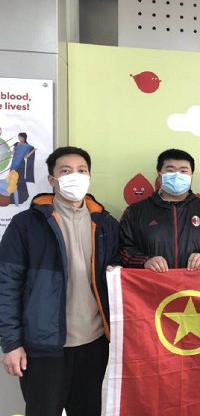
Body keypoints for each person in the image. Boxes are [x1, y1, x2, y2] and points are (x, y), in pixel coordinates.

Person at [0, 146, 120, 416]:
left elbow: (118, 273)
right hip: (43, 346)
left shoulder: (106, 224)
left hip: (94, 344)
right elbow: (7, 286)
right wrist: (11, 343)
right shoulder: (26, 224)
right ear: (52, 180)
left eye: (81, 170)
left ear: (89, 177)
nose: (75, 176)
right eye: (65, 171)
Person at [119, 148, 200, 271]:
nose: (177, 175)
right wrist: (145, 260)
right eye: (170, 170)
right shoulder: (135, 212)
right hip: (153, 282)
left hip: (198, 282)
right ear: (159, 175)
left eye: (183, 171)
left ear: (191, 176)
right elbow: (123, 249)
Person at [10, 132, 37, 205]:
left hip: (21, 164)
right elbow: (13, 153)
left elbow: (25, 157)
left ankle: (21, 197)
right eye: (18, 137)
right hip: (14, 163)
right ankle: (12, 198)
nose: (19, 138)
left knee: (20, 179)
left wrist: (32, 152)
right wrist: (7, 151)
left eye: (20, 137)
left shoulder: (27, 146)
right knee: (12, 179)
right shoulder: (16, 144)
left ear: (24, 137)